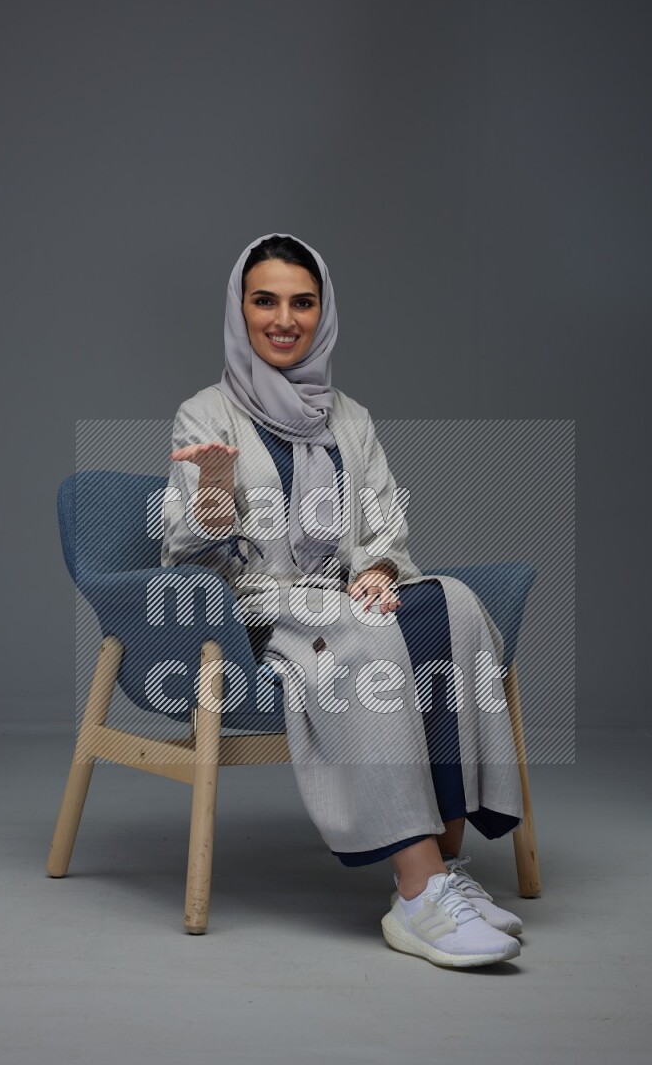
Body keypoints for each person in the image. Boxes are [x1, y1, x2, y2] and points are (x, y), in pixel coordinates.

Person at [161, 232, 525, 969]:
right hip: (255, 613)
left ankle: (447, 863)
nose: (284, 318)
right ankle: (417, 891)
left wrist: (380, 570)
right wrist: (215, 492)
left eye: (303, 301)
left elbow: (382, 522)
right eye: (265, 300)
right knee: (355, 629)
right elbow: (184, 553)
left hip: (336, 604)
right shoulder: (206, 415)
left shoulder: (349, 418)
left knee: (450, 603)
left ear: (324, 312)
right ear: (240, 311)